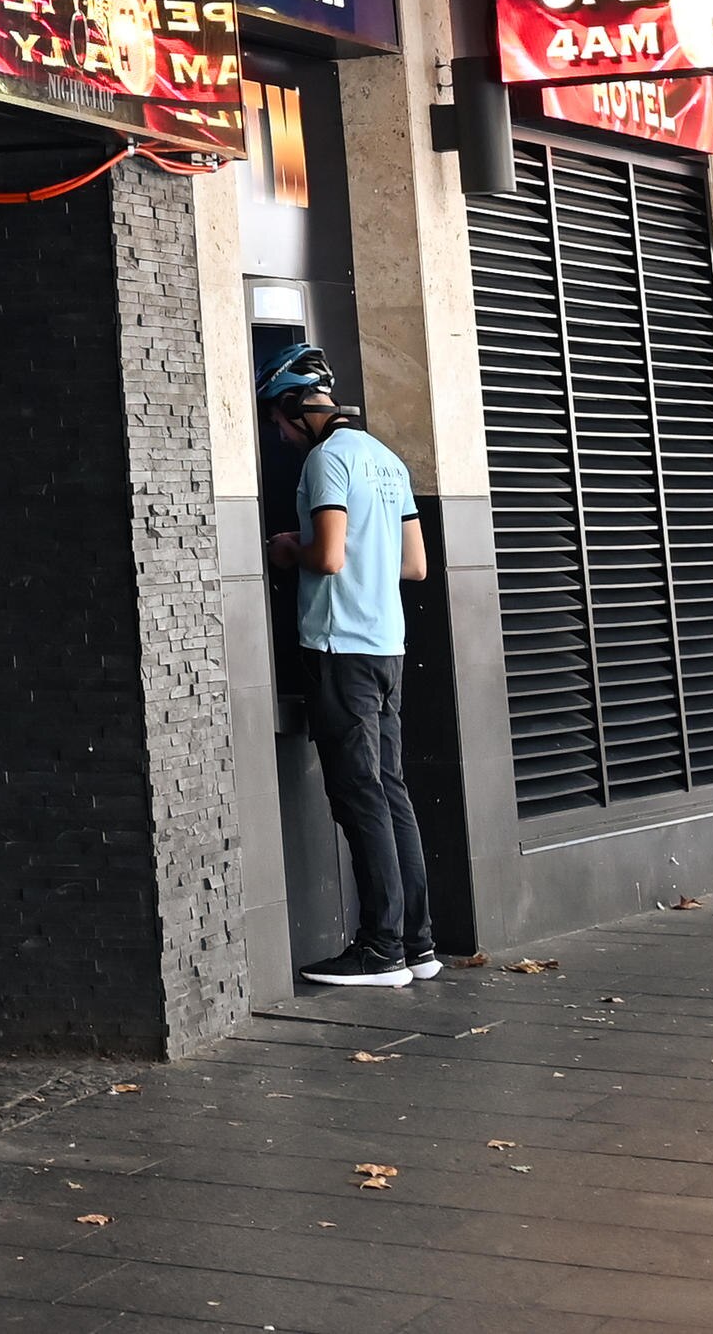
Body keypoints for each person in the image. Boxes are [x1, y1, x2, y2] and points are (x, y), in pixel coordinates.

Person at [262, 349, 435, 986]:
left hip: (342, 652)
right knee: (391, 792)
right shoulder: (385, 459)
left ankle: (381, 950)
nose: (278, 437)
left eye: (277, 423)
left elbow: (329, 556)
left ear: (293, 410)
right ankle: (417, 943)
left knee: (360, 796)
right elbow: (413, 564)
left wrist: (288, 550)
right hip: (388, 644)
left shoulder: (326, 460)